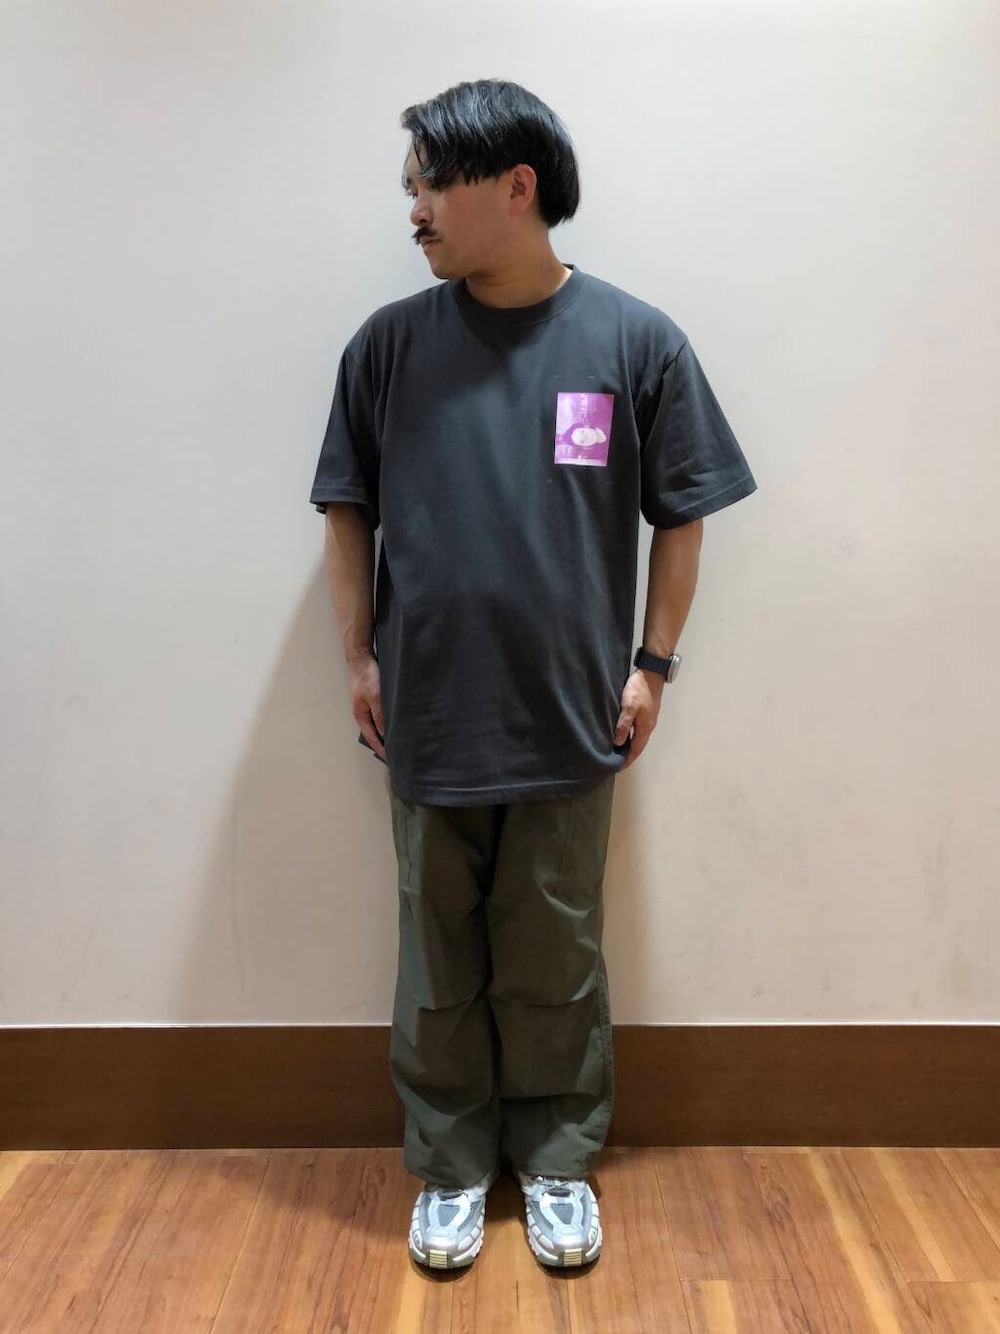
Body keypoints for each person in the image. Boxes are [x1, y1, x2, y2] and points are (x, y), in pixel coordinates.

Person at [309, 78, 757, 1272]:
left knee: (556, 946)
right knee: (436, 956)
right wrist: (358, 656)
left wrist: (652, 666)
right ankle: (451, 1164)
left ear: (516, 186)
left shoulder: (634, 341)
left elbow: (683, 513)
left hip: (570, 713)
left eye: (429, 184)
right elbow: (347, 509)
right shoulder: (388, 347)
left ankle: (557, 1158)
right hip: (430, 710)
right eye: (408, 186)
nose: (412, 209)